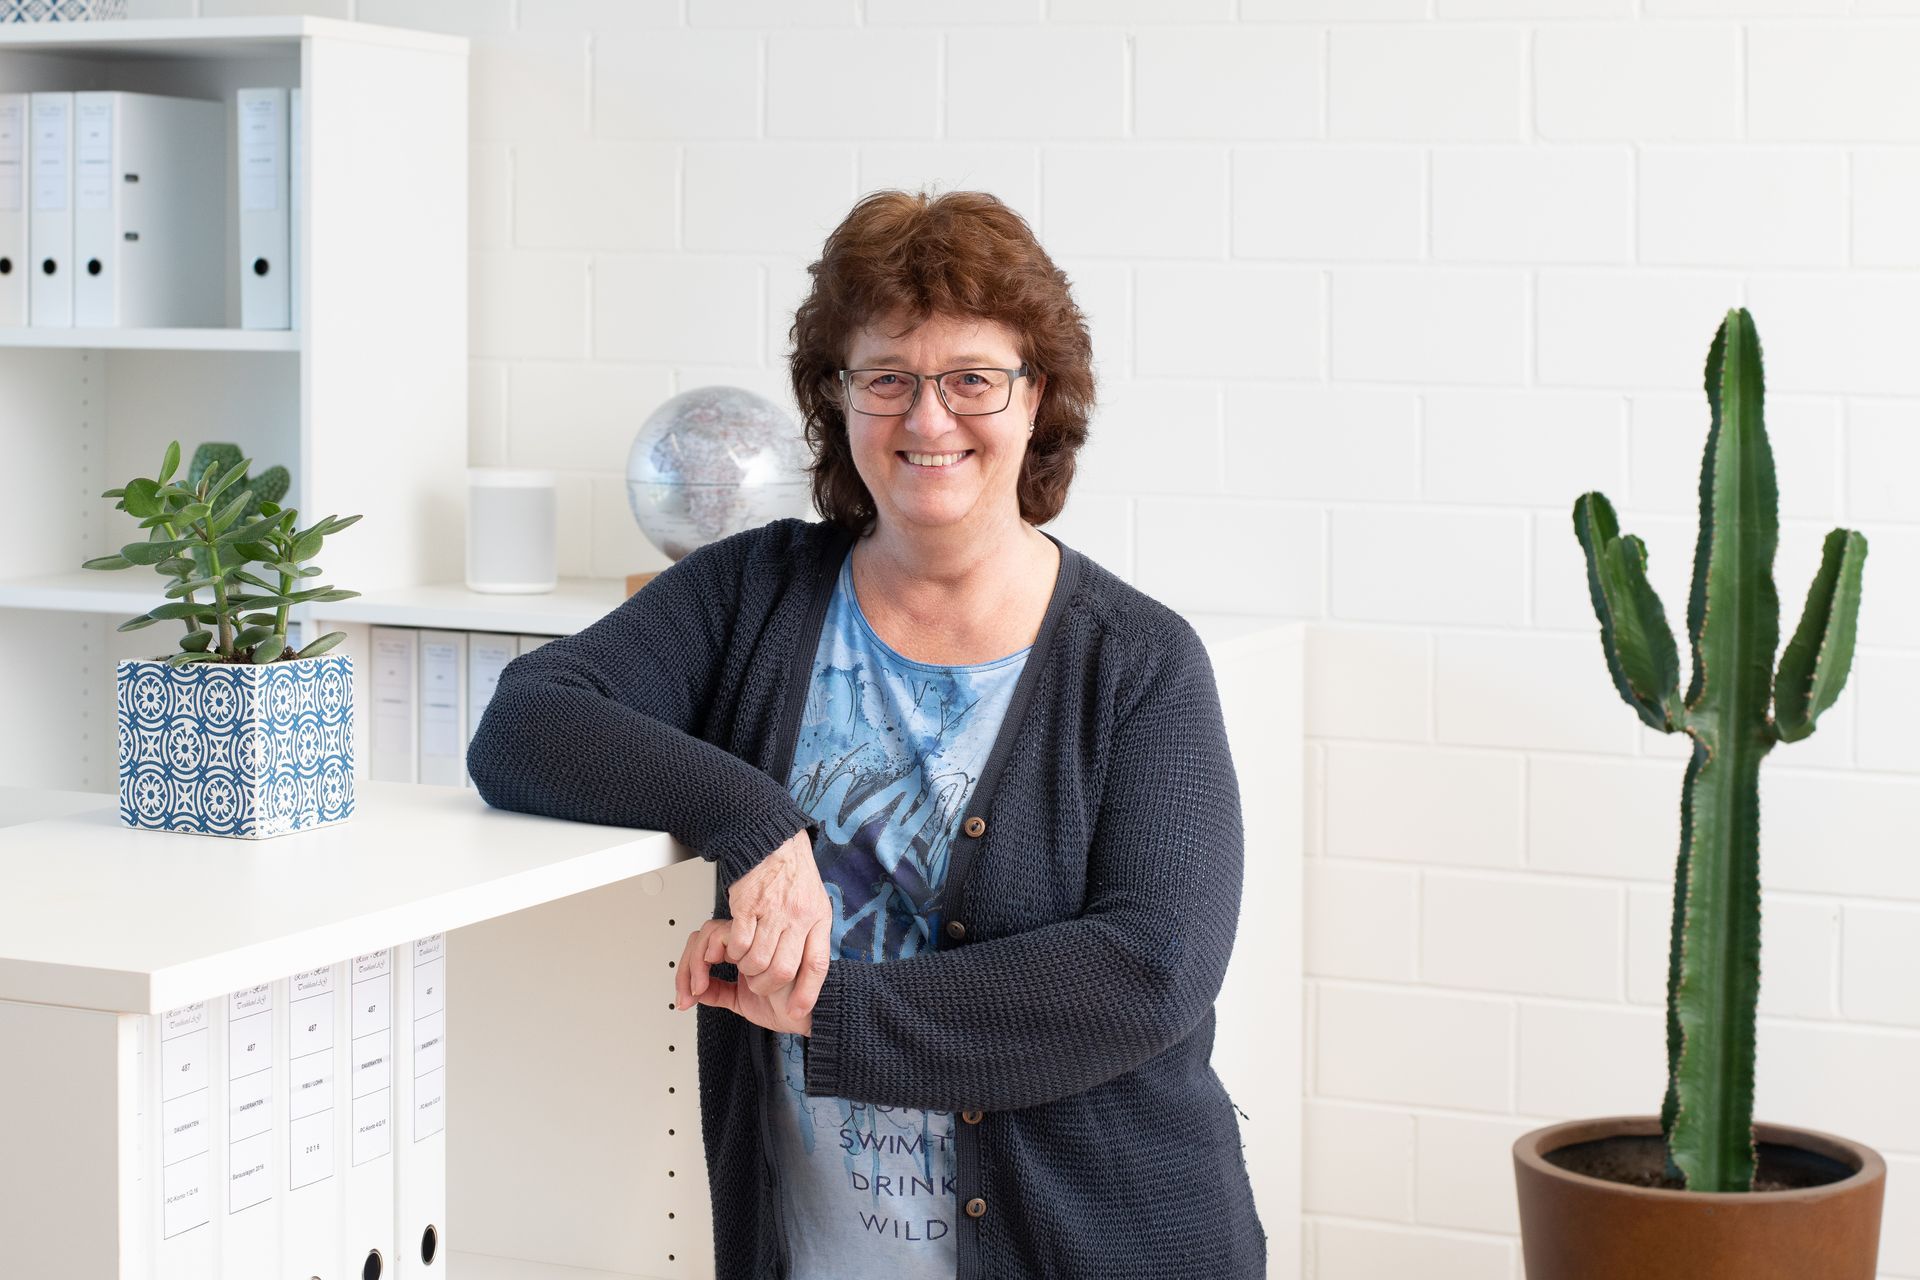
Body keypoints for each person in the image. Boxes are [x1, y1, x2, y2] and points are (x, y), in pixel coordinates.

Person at [467, 189, 1266, 1280]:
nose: (928, 419)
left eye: (972, 378)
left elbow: (1150, 968)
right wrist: (752, 819)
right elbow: (527, 720)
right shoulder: (755, 593)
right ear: (837, 400)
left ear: (1038, 399)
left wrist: (828, 1008)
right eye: (887, 377)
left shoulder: (1137, 661)